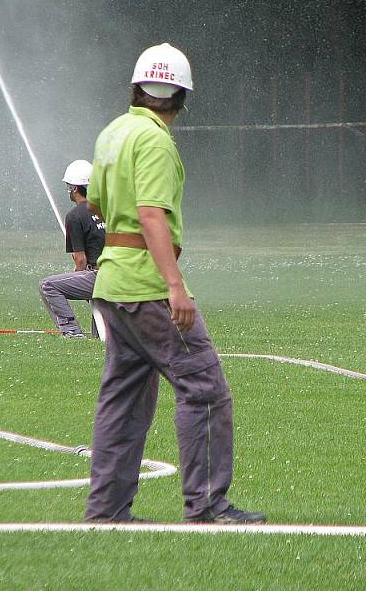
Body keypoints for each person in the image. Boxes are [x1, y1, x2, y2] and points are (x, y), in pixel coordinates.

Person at [84, 43, 266, 524]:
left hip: (111, 282)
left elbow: (96, 206)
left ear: (137, 88)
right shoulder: (157, 140)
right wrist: (175, 285)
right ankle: (207, 506)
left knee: (122, 401)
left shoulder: (112, 133)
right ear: (181, 96)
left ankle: (106, 511)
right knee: (204, 389)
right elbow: (150, 213)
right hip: (147, 285)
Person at [38, 159, 106, 339]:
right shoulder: (107, 208)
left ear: (74, 188)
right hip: (123, 275)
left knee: (48, 285)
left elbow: (80, 260)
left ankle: (72, 332)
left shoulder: (74, 216)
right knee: (100, 336)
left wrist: (79, 276)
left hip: (100, 276)